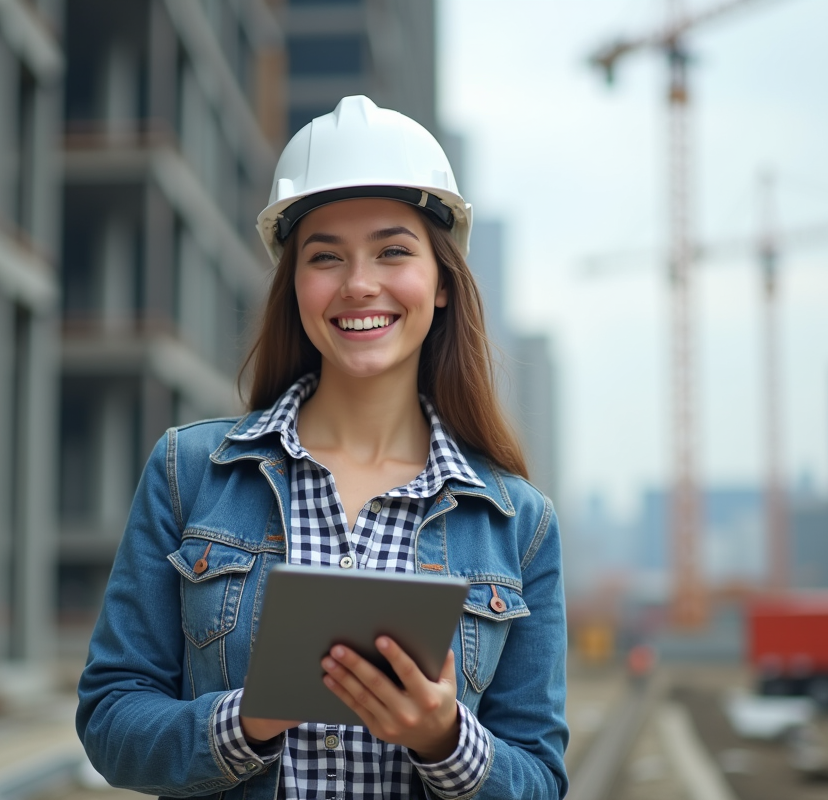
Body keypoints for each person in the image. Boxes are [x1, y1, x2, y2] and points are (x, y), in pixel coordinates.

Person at [76, 95, 568, 799]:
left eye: (393, 251)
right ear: (295, 287)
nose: (359, 284)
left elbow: (541, 780)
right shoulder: (189, 474)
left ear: (442, 284)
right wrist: (247, 721)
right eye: (326, 257)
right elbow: (110, 719)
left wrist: (446, 741)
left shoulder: (519, 524)